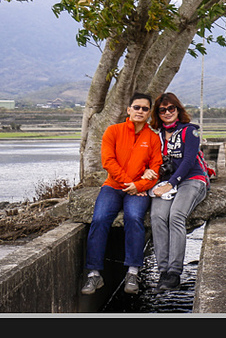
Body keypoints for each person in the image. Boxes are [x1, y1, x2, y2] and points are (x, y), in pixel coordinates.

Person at [80, 93, 162, 296]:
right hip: (113, 186)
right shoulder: (113, 131)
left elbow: (156, 169)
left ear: (149, 112)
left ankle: (133, 271)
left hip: (138, 190)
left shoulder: (152, 138)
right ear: (128, 109)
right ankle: (94, 274)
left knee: (134, 218)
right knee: (99, 219)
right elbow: (108, 161)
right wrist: (131, 183)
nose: (140, 111)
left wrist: (140, 186)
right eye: (136, 107)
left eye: (144, 108)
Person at [144, 92, 209, 290]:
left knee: (176, 215)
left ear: (178, 110)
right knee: (157, 216)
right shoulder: (156, 137)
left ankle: (174, 272)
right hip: (166, 183)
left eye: (171, 108)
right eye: (162, 110)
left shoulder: (191, 131)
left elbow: (189, 161)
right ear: (158, 113)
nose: (167, 112)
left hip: (191, 180)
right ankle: (163, 270)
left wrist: (171, 183)